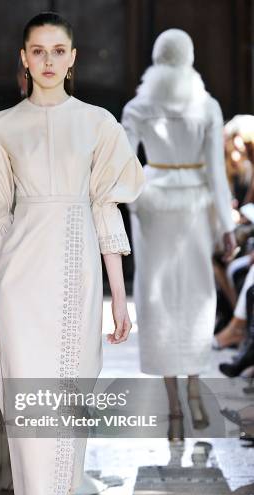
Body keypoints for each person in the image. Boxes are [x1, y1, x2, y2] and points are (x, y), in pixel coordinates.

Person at [0, 12, 144, 495]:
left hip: (80, 280)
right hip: (20, 280)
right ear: (23, 57)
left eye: (57, 50)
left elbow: (107, 213)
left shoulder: (97, 125)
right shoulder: (1, 128)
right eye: (36, 50)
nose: (46, 60)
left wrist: (121, 299)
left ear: (72, 58)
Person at [121, 29, 236, 438]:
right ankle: (192, 390)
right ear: (189, 56)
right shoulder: (207, 106)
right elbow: (217, 173)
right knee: (196, 296)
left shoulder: (138, 106)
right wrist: (227, 225)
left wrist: (139, 192)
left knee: (157, 299)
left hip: (154, 207)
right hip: (194, 208)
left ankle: (173, 407)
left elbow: (121, 163)